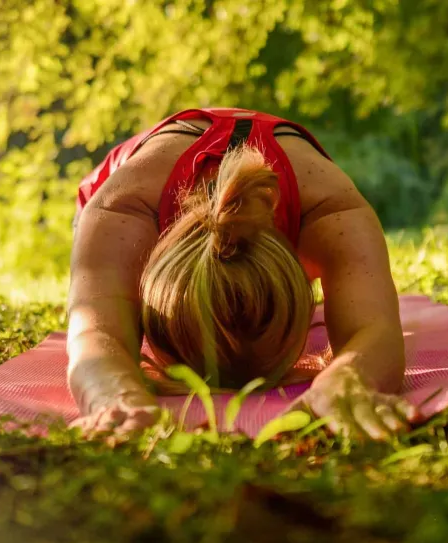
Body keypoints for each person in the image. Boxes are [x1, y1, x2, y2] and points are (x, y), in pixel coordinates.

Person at [67, 108, 413, 441]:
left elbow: (376, 331)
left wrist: (348, 379)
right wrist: (113, 393)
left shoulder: (331, 209)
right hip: (130, 193)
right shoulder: (122, 208)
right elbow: (93, 335)